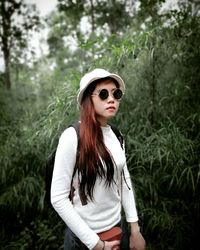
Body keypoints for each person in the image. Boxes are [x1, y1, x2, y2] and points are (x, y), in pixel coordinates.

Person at [51, 68, 146, 250]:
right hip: (84, 240)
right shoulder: (72, 137)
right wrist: (96, 244)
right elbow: (58, 198)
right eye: (103, 94)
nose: (111, 99)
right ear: (88, 99)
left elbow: (123, 181)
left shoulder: (116, 135)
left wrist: (134, 229)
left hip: (118, 230)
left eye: (115, 94)